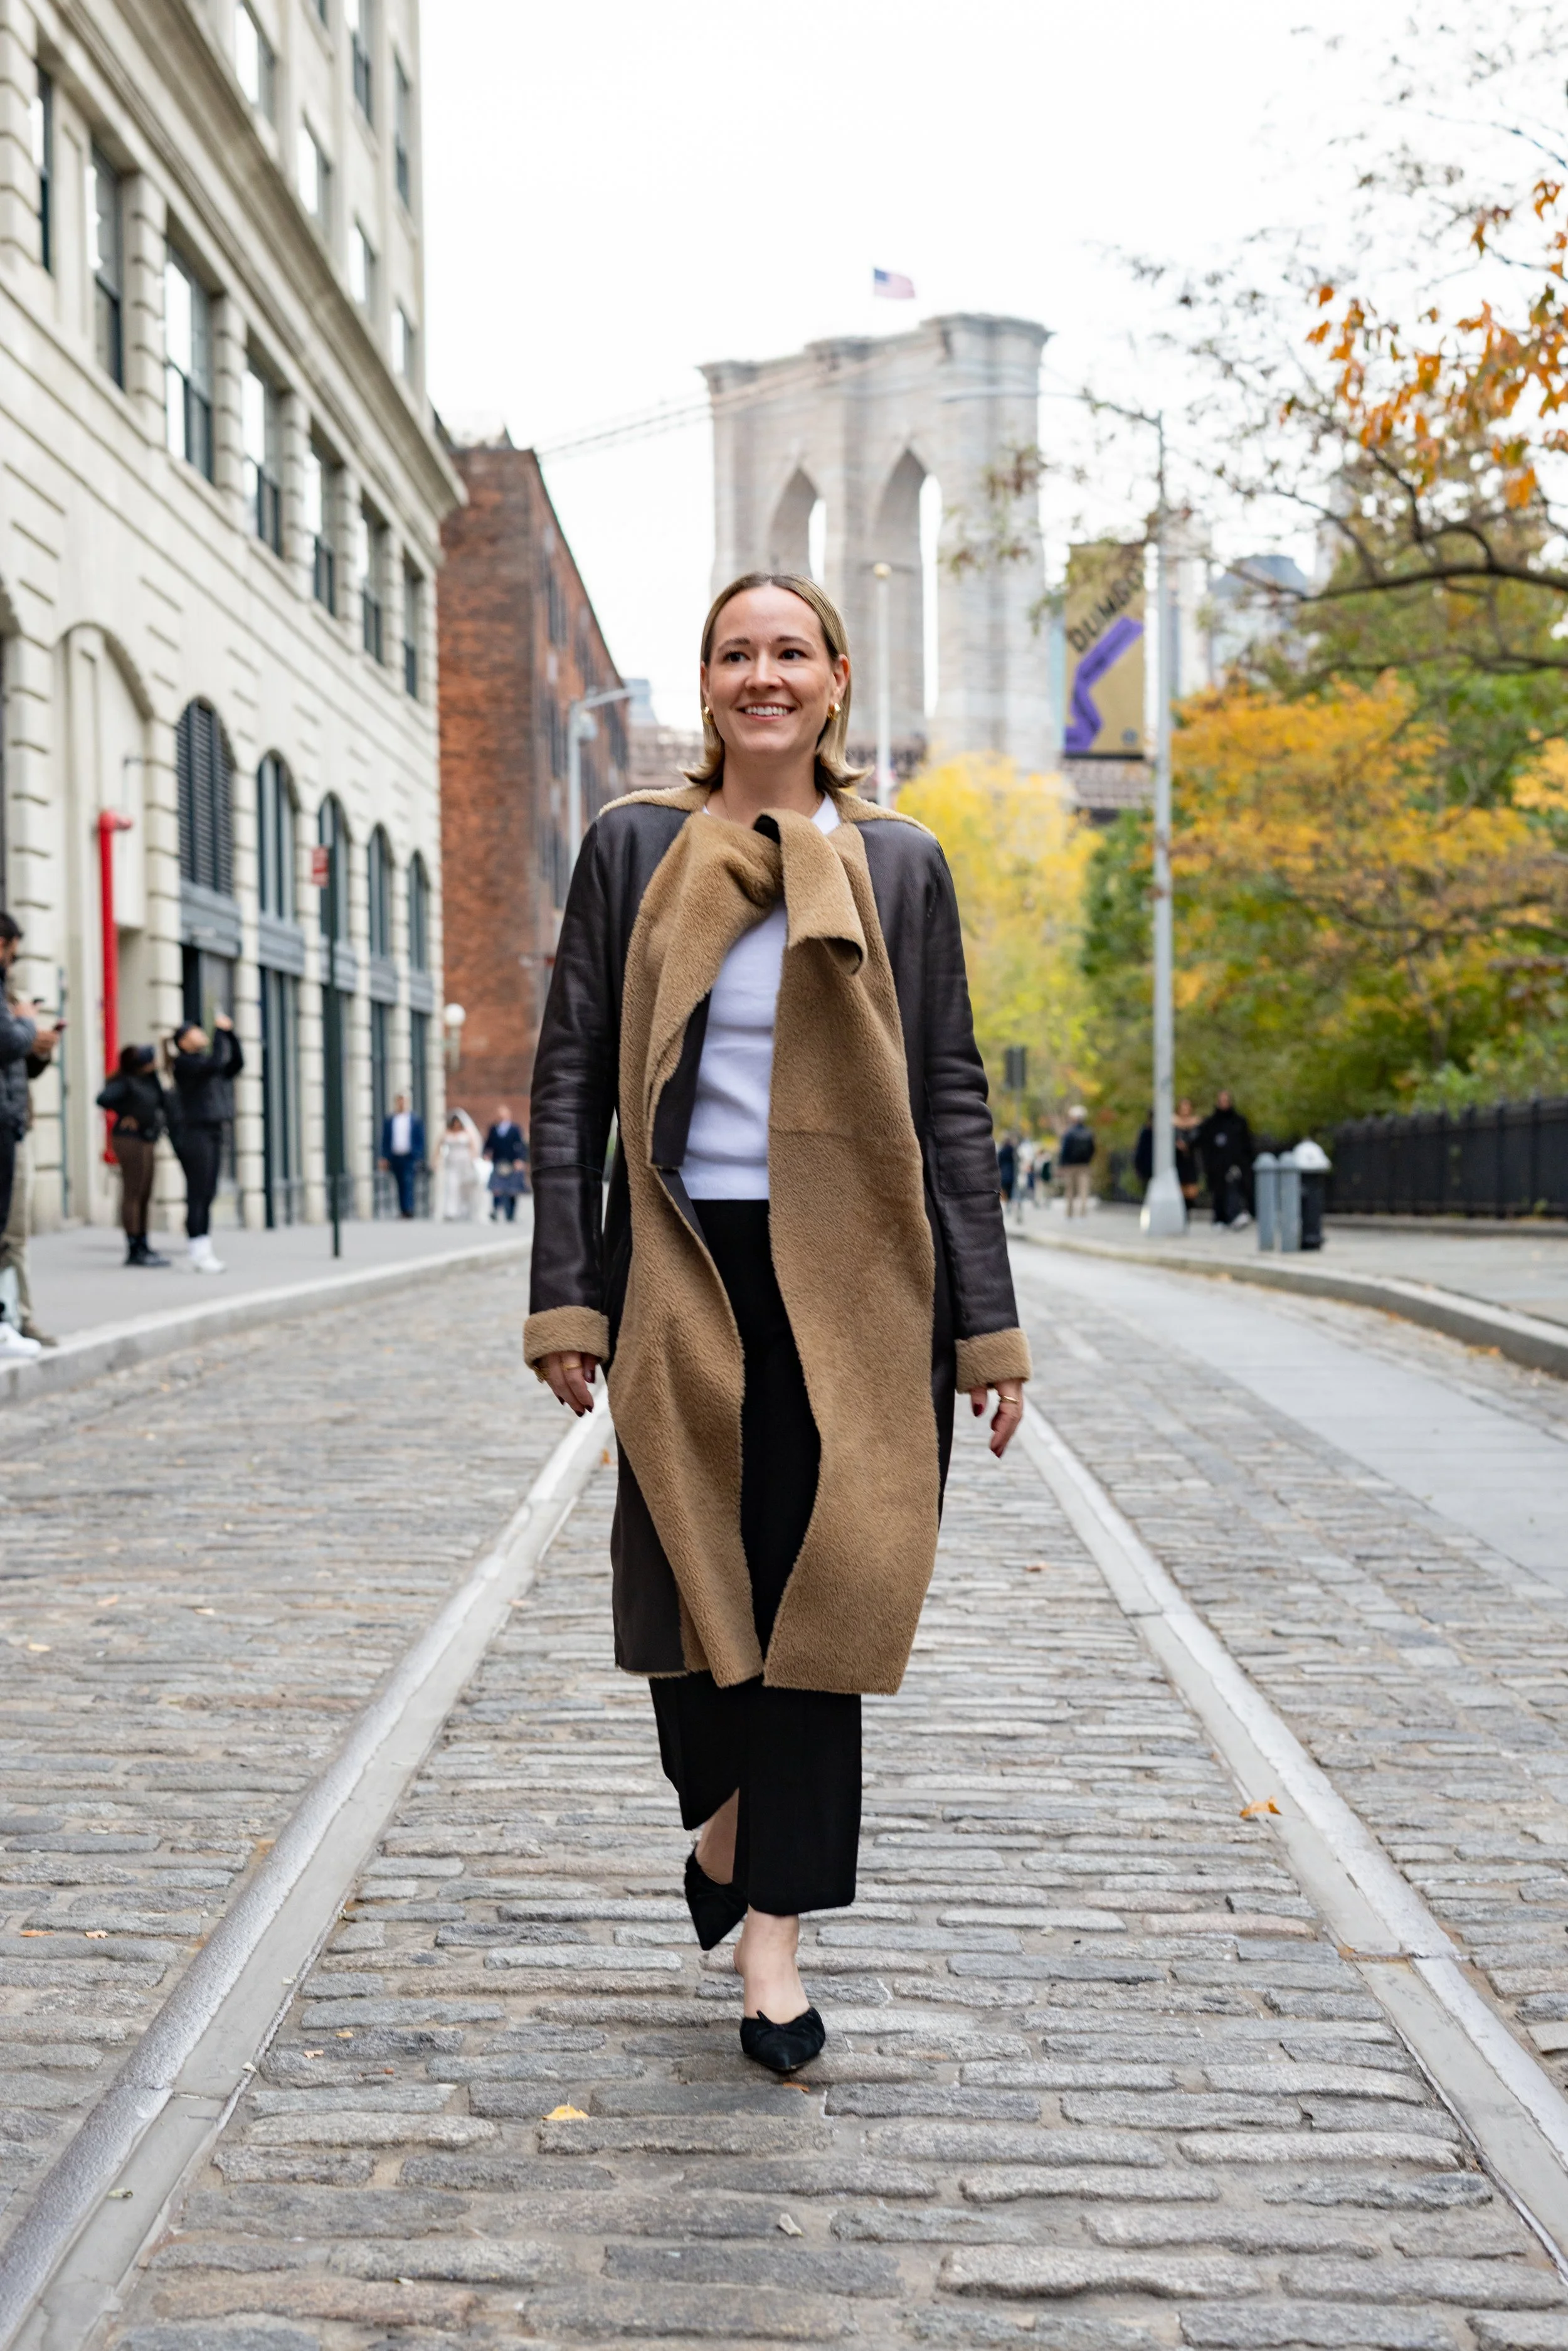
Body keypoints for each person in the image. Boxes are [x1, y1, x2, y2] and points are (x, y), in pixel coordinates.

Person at [525, 570, 1030, 2076]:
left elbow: (950, 1094)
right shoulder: (633, 850)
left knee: (822, 1604)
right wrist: (569, 1289)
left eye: (788, 652)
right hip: (684, 1262)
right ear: (708, 683)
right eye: (736, 653)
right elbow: (566, 1084)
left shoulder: (900, 861)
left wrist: (987, 1329)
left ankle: (774, 1951)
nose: (764, 674)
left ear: (835, 679)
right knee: (688, 1597)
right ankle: (730, 1824)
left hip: (861, 1279)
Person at [0, 913, 60, 1361]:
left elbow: (18, 1062)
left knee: (13, 1230)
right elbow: (6, 1043)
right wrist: (23, 1027)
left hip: (15, 1121)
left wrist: (39, 1047)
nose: (13, 962)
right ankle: (13, 1319)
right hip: (6, 1123)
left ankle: (16, 1317)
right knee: (9, 1228)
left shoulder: (10, 997)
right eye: (12, 951)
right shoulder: (10, 1006)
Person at [167, 1011, 243, 1273]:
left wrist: (230, 1035)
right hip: (195, 1132)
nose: (201, 1035)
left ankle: (203, 1247)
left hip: (213, 1130)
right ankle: (197, 1249)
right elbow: (215, 1063)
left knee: (208, 1191)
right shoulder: (185, 1065)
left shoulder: (204, 1064)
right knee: (198, 1192)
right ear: (183, 1042)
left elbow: (235, 1064)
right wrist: (220, 1033)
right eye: (195, 1033)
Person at [97, 1044, 169, 1266]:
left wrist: (155, 1074)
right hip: (130, 1139)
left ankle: (144, 1242)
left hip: (147, 1139)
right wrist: (125, 1112)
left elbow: (162, 1102)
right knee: (133, 1192)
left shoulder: (149, 1080)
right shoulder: (125, 1082)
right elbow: (103, 1099)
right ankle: (133, 1247)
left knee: (146, 1192)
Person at [1199, 1089, 1254, 1227]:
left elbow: (1246, 1144)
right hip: (1217, 1166)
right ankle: (1220, 1218)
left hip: (1236, 1164)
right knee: (1219, 1192)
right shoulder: (1211, 1123)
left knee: (1236, 1190)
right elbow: (1205, 1144)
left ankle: (1236, 1215)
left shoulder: (1238, 1122)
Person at [378, 1091, 425, 1218]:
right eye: (399, 1101)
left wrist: (418, 1155)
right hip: (395, 1156)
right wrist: (384, 1157)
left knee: (408, 1181)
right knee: (399, 1183)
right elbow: (385, 1139)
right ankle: (403, 1209)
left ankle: (408, 1209)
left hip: (409, 1156)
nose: (401, 1104)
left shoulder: (414, 1119)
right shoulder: (390, 1120)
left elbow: (420, 1139)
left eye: (403, 1101)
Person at [484, 1105, 528, 1223]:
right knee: (497, 1188)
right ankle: (495, 1210)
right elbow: (488, 1144)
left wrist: (520, 1159)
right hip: (498, 1161)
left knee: (512, 1190)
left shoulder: (515, 1129)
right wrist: (486, 1154)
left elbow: (520, 1145)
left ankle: (511, 1214)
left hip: (512, 1162)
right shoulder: (493, 1128)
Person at [439, 1107, 485, 1221]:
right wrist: (437, 1159)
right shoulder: (447, 1133)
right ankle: (451, 1211)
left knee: (465, 1187)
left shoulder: (467, 1133)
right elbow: (439, 1146)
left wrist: (473, 1159)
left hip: (465, 1162)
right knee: (451, 1185)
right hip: (452, 1163)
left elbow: (474, 1146)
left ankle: (465, 1209)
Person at [1057, 1105, 1096, 1216]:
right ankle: (1083, 1213)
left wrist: (1062, 1164)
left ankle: (1069, 1213)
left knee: (1070, 1191)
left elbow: (1064, 1150)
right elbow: (1093, 1149)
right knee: (1084, 1191)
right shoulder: (1089, 1132)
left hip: (1070, 1166)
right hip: (1085, 1165)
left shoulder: (1069, 1133)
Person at [1174, 1096, 1202, 1207]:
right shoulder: (1173, 1124)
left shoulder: (1196, 1124)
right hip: (1178, 1161)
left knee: (1191, 1192)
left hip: (1191, 1161)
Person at [996, 1131, 1017, 1209]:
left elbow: (999, 1162)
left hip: (1004, 1172)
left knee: (1005, 1188)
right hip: (1011, 1172)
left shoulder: (1002, 1151)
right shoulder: (1012, 1151)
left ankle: (1007, 1203)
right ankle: (1010, 1202)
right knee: (1010, 1188)